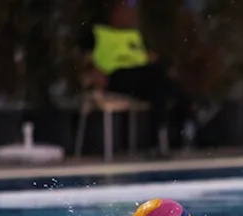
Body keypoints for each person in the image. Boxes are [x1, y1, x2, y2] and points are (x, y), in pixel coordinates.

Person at [79, 0, 192, 156]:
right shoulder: (97, 32)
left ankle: (163, 138)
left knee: (161, 87)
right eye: (126, 8)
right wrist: (94, 77)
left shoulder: (134, 35)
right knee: (161, 83)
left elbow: (147, 57)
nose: (130, 14)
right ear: (115, 11)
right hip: (115, 77)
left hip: (141, 78)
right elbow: (85, 61)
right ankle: (174, 133)